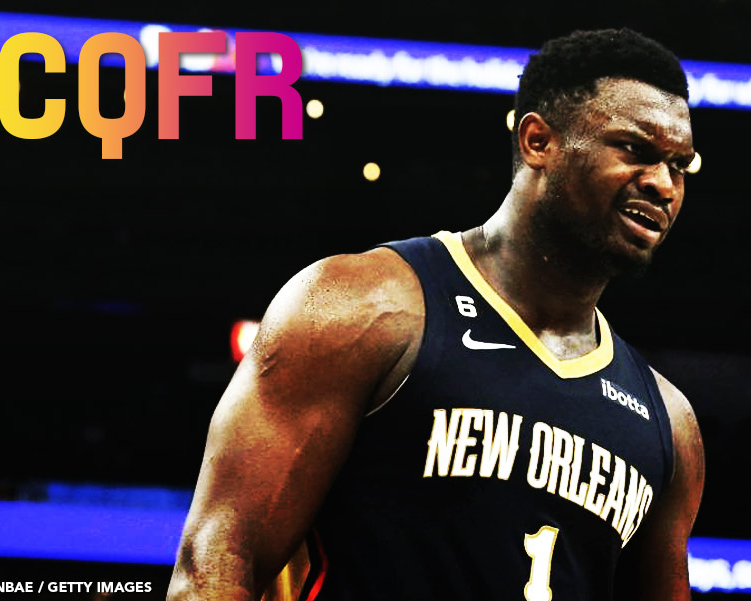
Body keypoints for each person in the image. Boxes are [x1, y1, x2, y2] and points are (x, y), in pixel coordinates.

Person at [166, 27, 704, 601]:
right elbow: (213, 566)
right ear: (538, 141)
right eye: (636, 151)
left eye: (680, 166)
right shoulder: (365, 305)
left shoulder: (669, 426)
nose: (663, 184)